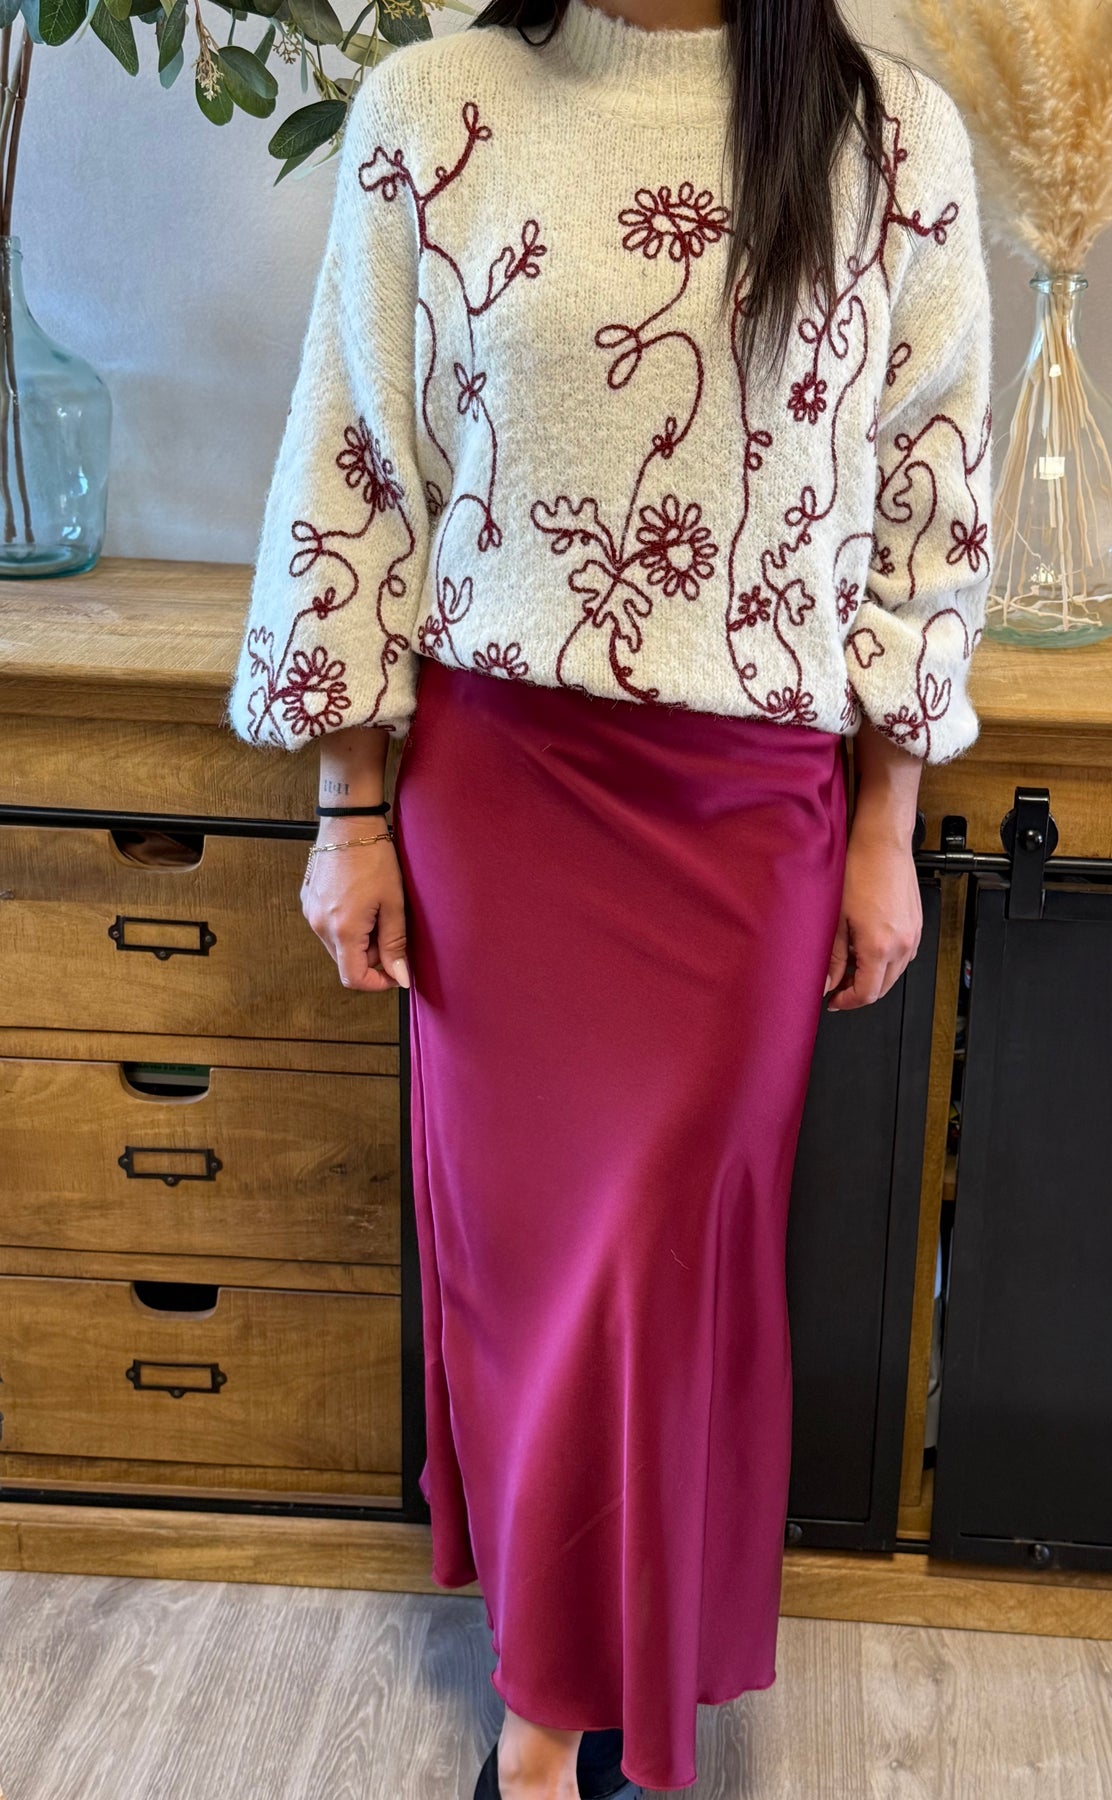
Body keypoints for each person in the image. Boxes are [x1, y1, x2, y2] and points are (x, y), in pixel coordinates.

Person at [225, 0, 993, 1793]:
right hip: (500, 797)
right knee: (529, 1283)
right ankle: (552, 1704)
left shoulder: (888, 134)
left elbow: (929, 496)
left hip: (746, 813)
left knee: (658, 1269)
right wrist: (349, 813)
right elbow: (356, 464)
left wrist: (886, 817)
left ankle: (578, 1697)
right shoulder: (434, 107)